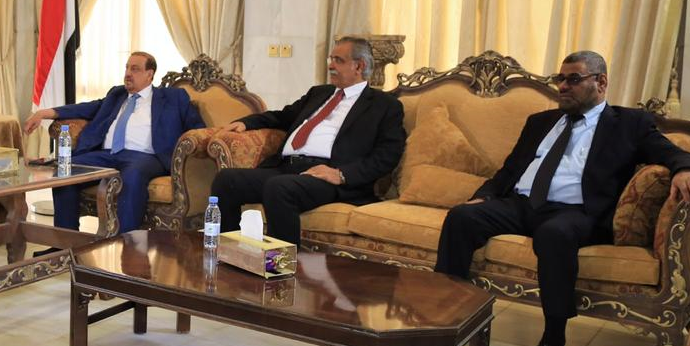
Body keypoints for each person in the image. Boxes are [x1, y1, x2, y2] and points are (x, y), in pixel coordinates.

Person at [434, 50, 690, 346]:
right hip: (522, 205)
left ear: (601, 82)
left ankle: (553, 345)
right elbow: (509, 170)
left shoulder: (628, 124)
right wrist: (485, 196)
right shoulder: (540, 122)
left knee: (555, 234)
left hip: (578, 213)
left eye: (574, 79)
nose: (563, 86)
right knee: (461, 217)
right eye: (560, 79)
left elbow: (673, 153)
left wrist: (687, 170)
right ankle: (446, 319)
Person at [210, 36, 406, 245]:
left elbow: (387, 155)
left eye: (338, 60)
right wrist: (246, 123)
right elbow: (283, 116)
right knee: (227, 180)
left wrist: (341, 174)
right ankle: (229, 252)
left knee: (279, 187)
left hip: (328, 175)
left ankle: (281, 263)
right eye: (331, 59)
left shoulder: (384, 105)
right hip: (286, 167)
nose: (330, 65)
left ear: (359, 66)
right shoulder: (320, 93)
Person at [23, 52, 205, 233]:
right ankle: (66, 241)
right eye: (127, 68)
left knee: (132, 176)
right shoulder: (117, 94)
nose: (128, 73)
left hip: (145, 156)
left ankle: (124, 243)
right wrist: (44, 113)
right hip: (107, 154)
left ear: (149, 74)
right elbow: (87, 108)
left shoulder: (173, 97)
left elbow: (198, 128)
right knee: (65, 171)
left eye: (135, 69)